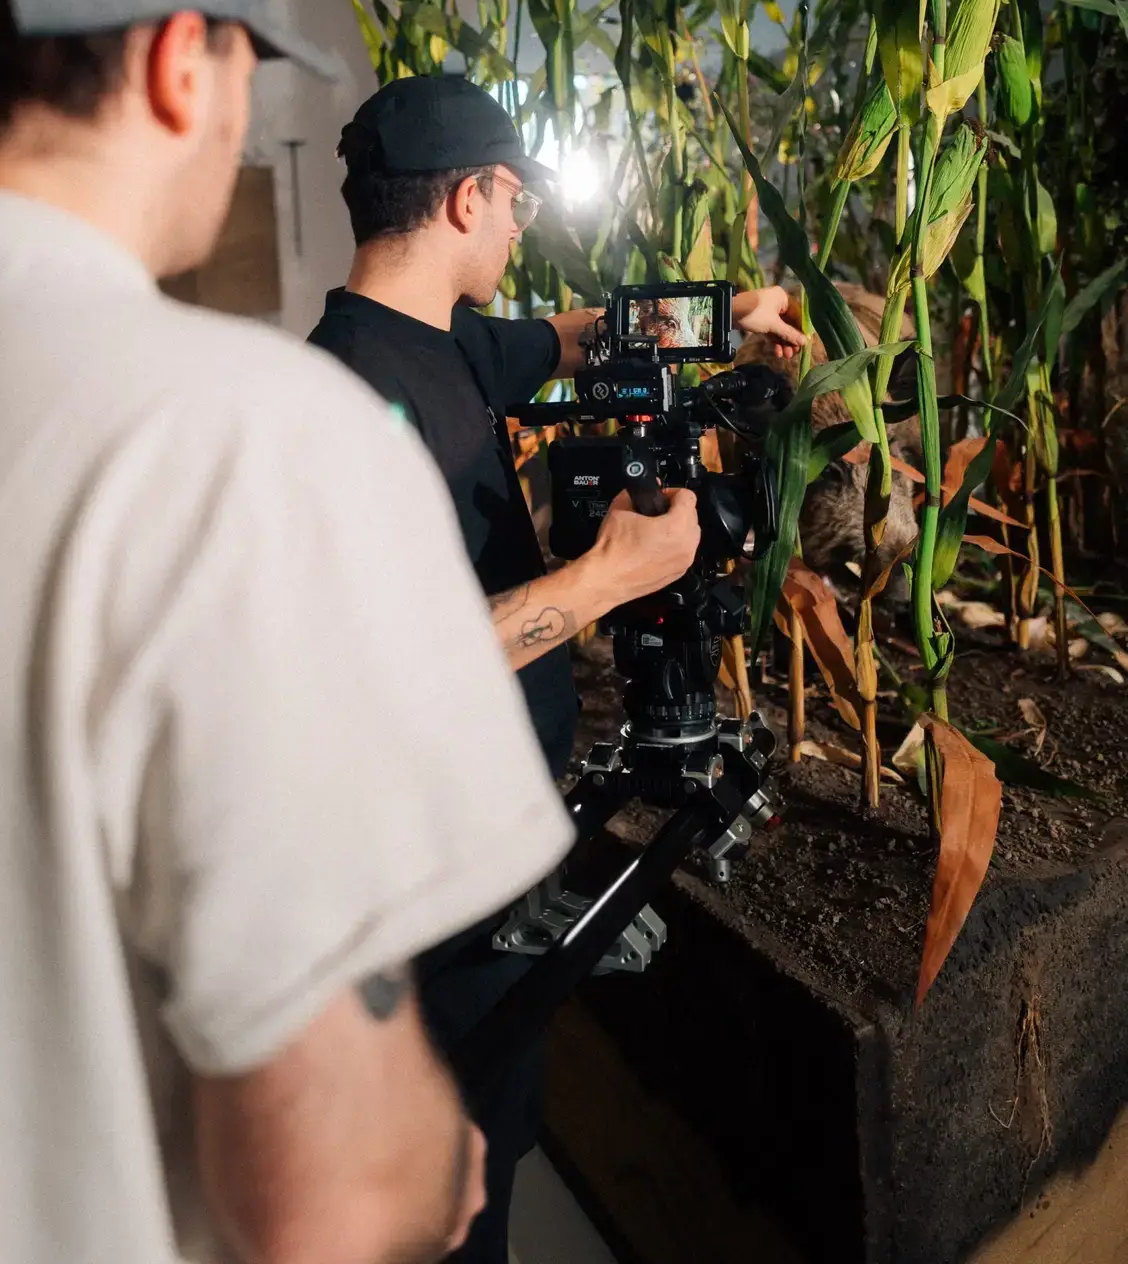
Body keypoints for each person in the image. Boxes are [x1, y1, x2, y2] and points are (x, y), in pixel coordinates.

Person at [0, 0, 578, 1264]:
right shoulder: (239, 437)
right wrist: (440, 1161)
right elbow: (335, 1187)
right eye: (247, 70)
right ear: (185, 60)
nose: (242, 119)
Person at [307, 74, 805, 1262]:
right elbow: (390, 668)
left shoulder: (440, 341)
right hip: (428, 896)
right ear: (472, 195)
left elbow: (583, 336)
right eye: (517, 203)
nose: (523, 226)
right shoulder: (342, 394)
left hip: (487, 848)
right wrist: (601, 582)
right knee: (453, 1183)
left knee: (495, 1147)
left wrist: (727, 312)